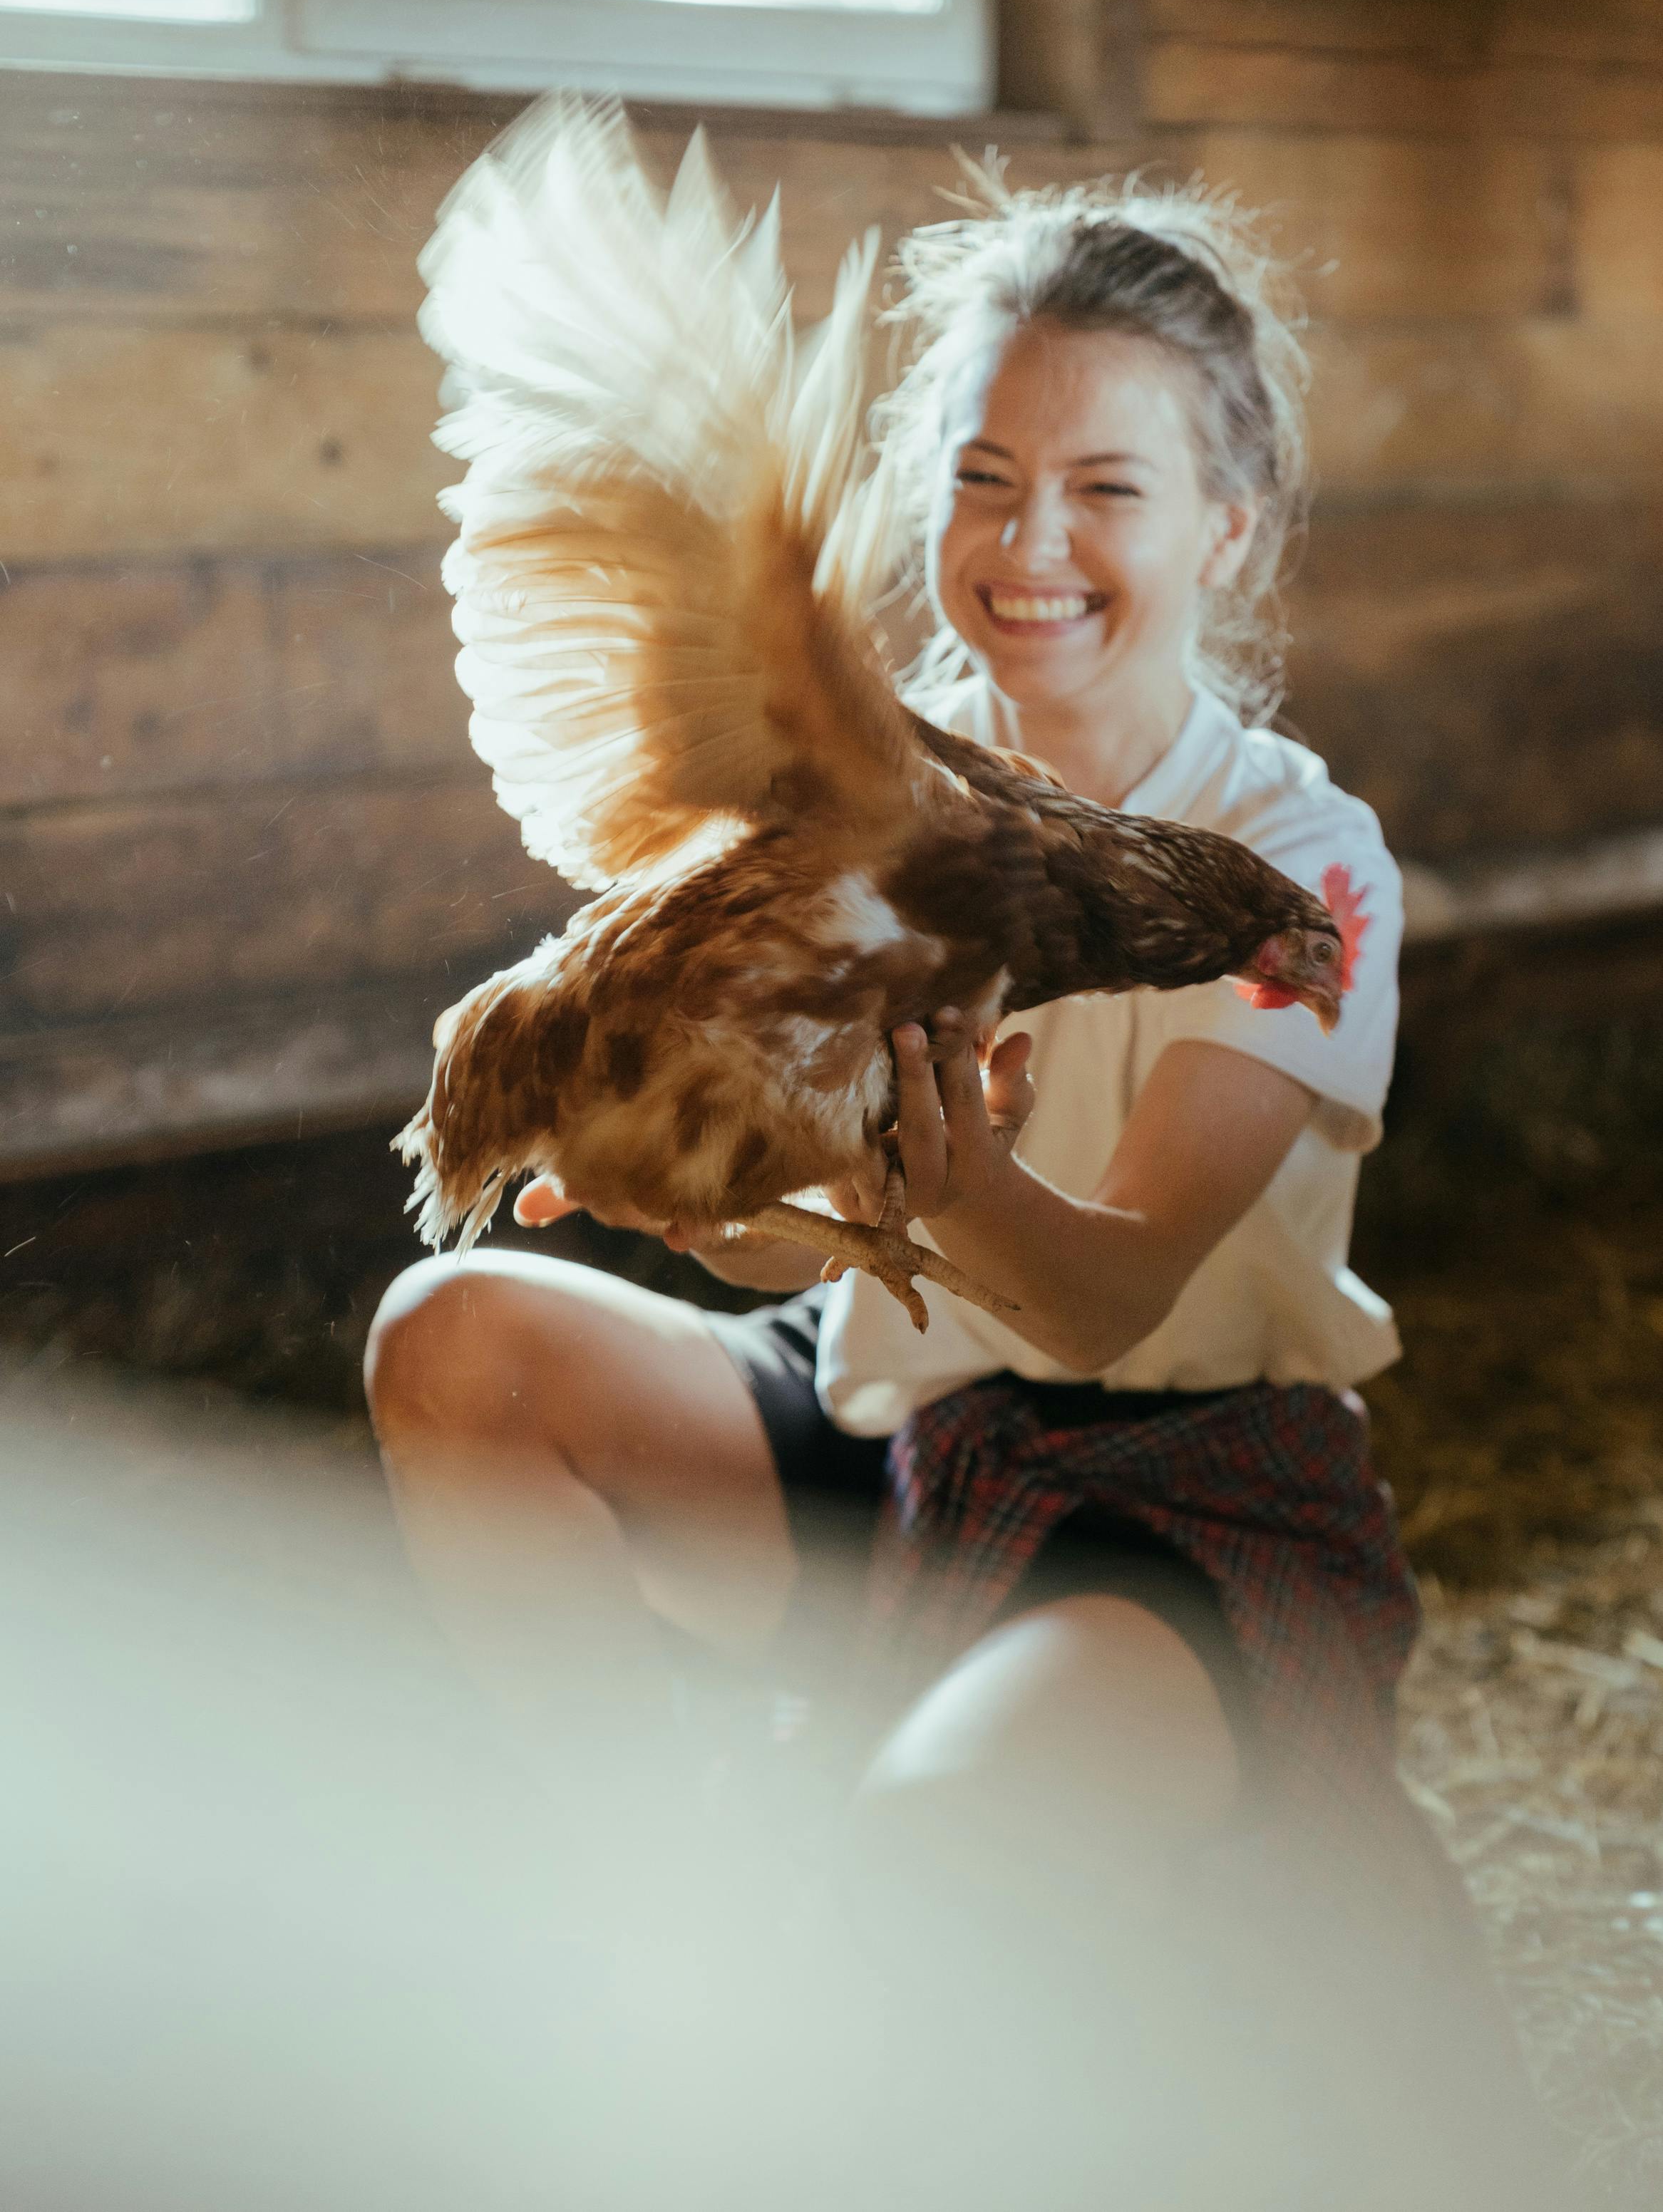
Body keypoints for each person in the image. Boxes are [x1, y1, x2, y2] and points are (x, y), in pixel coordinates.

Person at [365, 164, 1410, 1958]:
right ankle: (668, 1919)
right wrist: (719, 1208)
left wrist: (954, 1181)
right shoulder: (863, 777)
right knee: (445, 1343)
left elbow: (1097, 1307)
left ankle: (894, 1869)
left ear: (1228, 527)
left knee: (928, 1842)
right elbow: (792, 1249)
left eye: (1108, 489)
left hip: (1173, 1488)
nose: (1032, 543)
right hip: (907, 1424)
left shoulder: (1306, 868)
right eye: (986, 481)